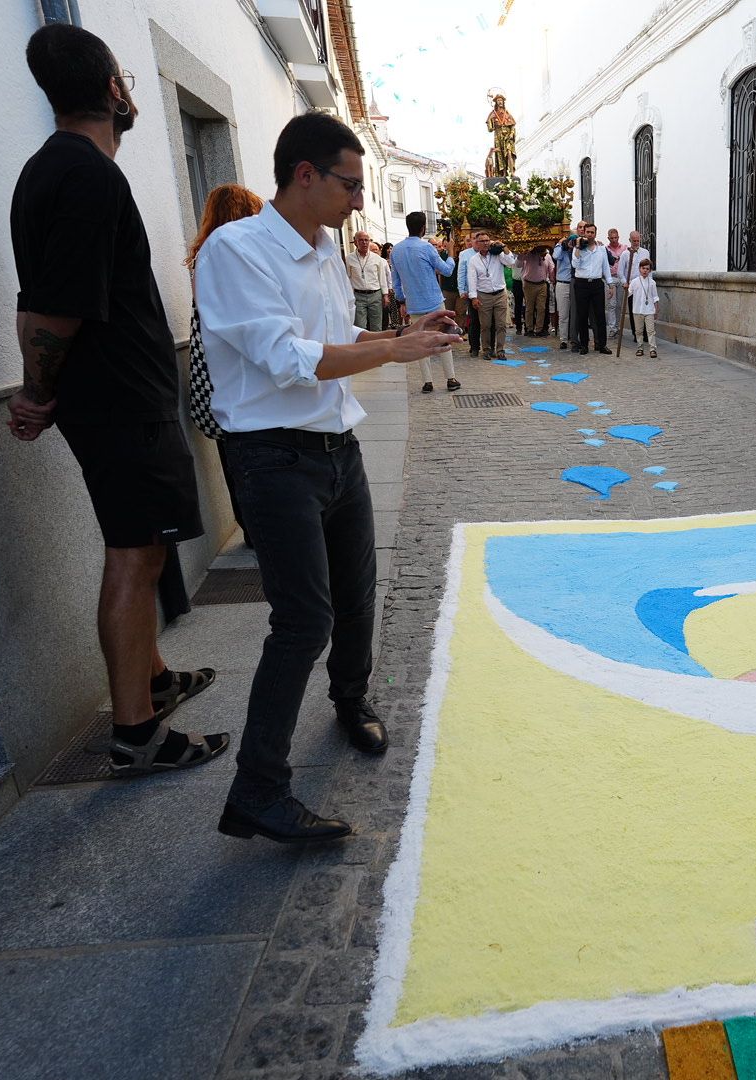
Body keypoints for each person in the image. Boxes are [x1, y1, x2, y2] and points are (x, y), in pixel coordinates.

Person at [195, 111, 462, 843]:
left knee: (357, 592)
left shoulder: (323, 249)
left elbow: (338, 339)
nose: (357, 200)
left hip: (336, 447)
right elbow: (288, 359)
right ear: (304, 174)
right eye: (349, 184)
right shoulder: (236, 250)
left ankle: (351, 700)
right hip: (272, 457)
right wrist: (394, 354)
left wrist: (402, 334)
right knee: (302, 620)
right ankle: (257, 791)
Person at [8, 23, 227, 777]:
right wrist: (36, 392)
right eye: (125, 81)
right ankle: (137, 733)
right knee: (135, 556)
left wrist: (41, 390)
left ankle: (155, 679)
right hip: (121, 402)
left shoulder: (45, 170)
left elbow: (35, 302)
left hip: (111, 399)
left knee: (144, 543)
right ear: (112, 89)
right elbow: (53, 311)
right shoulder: (87, 176)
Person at [185, 183, 263, 543]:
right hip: (237, 362)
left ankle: (248, 524)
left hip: (213, 362)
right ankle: (256, 526)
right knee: (248, 448)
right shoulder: (235, 253)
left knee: (231, 449)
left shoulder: (203, 254)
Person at [390, 210, 459, 392]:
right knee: (444, 338)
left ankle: (427, 381)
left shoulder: (396, 250)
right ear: (423, 228)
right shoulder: (427, 248)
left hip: (414, 303)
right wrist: (451, 252)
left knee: (420, 341)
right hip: (434, 300)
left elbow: (395, 281)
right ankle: (450, 378)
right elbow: (446, 270)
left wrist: (401, 301)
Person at [465, 230, 518, 361]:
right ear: (477, 243)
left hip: (500, 294)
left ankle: (500, 350)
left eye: (487, 240)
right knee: (485, 325)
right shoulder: (473, 260)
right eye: (482, 241)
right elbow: (472, 279)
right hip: (484, 295)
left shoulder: (497, 254)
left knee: (501, 325)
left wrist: (503, 246)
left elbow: (511, 261)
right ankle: (487, 349)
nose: (486, 243)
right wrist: (474, 297)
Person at [571, 222, 610, 354]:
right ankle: (584, 345)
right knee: (582, 315)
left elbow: (606, 267)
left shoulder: (601, 249)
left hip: (597, 284)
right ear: (584, 233)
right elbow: (575, 264)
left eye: (592, 232)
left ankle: (602, 345)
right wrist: (578, 247)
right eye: (588, 232)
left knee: (600, 315)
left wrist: (610, 284)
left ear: (595, 234)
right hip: (581, 284)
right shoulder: (578, 247)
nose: (590, 235)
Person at [345, 230, 388, 331]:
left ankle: (377, 342)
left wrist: (385, 295)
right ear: (355, 242)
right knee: (360, 326)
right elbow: (347, 278)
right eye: (361, 240)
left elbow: (382, 277)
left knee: (376, 326)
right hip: (358, 296)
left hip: (375, 295)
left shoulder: (376, 258)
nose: (364, 242)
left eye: (366, 240)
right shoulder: (349, 258)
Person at [552, 224, 580, 349]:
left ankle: (575, 338)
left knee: (576, 314)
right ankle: (563, 339)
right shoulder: (562, 250)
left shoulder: (578, 250)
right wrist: (560, 243)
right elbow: (555, 256)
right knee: (563, 314)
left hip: (576, 284)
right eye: (571, 239)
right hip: (562, 284)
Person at [455, 235, 482, 357]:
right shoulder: (465, 254)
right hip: (472, 291)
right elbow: (461, 273)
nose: (476, 241)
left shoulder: (487, 252)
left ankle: (488, 346)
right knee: (474, 320)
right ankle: (474, 346)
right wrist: (462, 290)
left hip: (486, 290)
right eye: (474, 239)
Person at [628, 257, 659, 357]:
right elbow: (629, 293)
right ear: (639, 269)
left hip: (649, 310)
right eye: (643, 268)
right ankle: (640, 348)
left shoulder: (652, 283)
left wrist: (656, 309)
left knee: (651, 331)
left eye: (647, 269)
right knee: (638, 331)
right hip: (637, 310)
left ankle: (652, 349)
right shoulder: (634, 282)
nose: (645, 270)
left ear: (650, 270)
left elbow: (655, 297)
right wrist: (625, 288)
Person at [519, 245, 552, 336]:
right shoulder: (528, 254)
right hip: (529, 284)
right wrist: (522, 254)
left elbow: (551, 268)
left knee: (541, 308)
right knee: (529, 308)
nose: (543, 252)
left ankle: (539, 329)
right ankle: (529, 329)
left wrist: (552, 278)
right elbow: (518, 264)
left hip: (542, 284)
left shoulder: (547, 256)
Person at [604, 228, 627, 339]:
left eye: (616, 237)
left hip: (621, 278)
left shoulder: (624, 248)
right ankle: (612, 328)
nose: (614, 240)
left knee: (619, 305)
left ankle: (617, 327)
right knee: (611, 305)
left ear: (618, 237)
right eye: (612, 238)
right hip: (611, 279)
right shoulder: (605, 249)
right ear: (608, 238)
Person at [378, 242, 401, 331]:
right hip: (385, 286)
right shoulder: (382, 260)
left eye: (391, 248)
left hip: (394, 285)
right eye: (388, 248)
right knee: (387, 306)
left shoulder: (395, 259)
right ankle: (386, 324)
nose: (390, 250)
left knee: (395, 306)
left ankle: (395, 323)